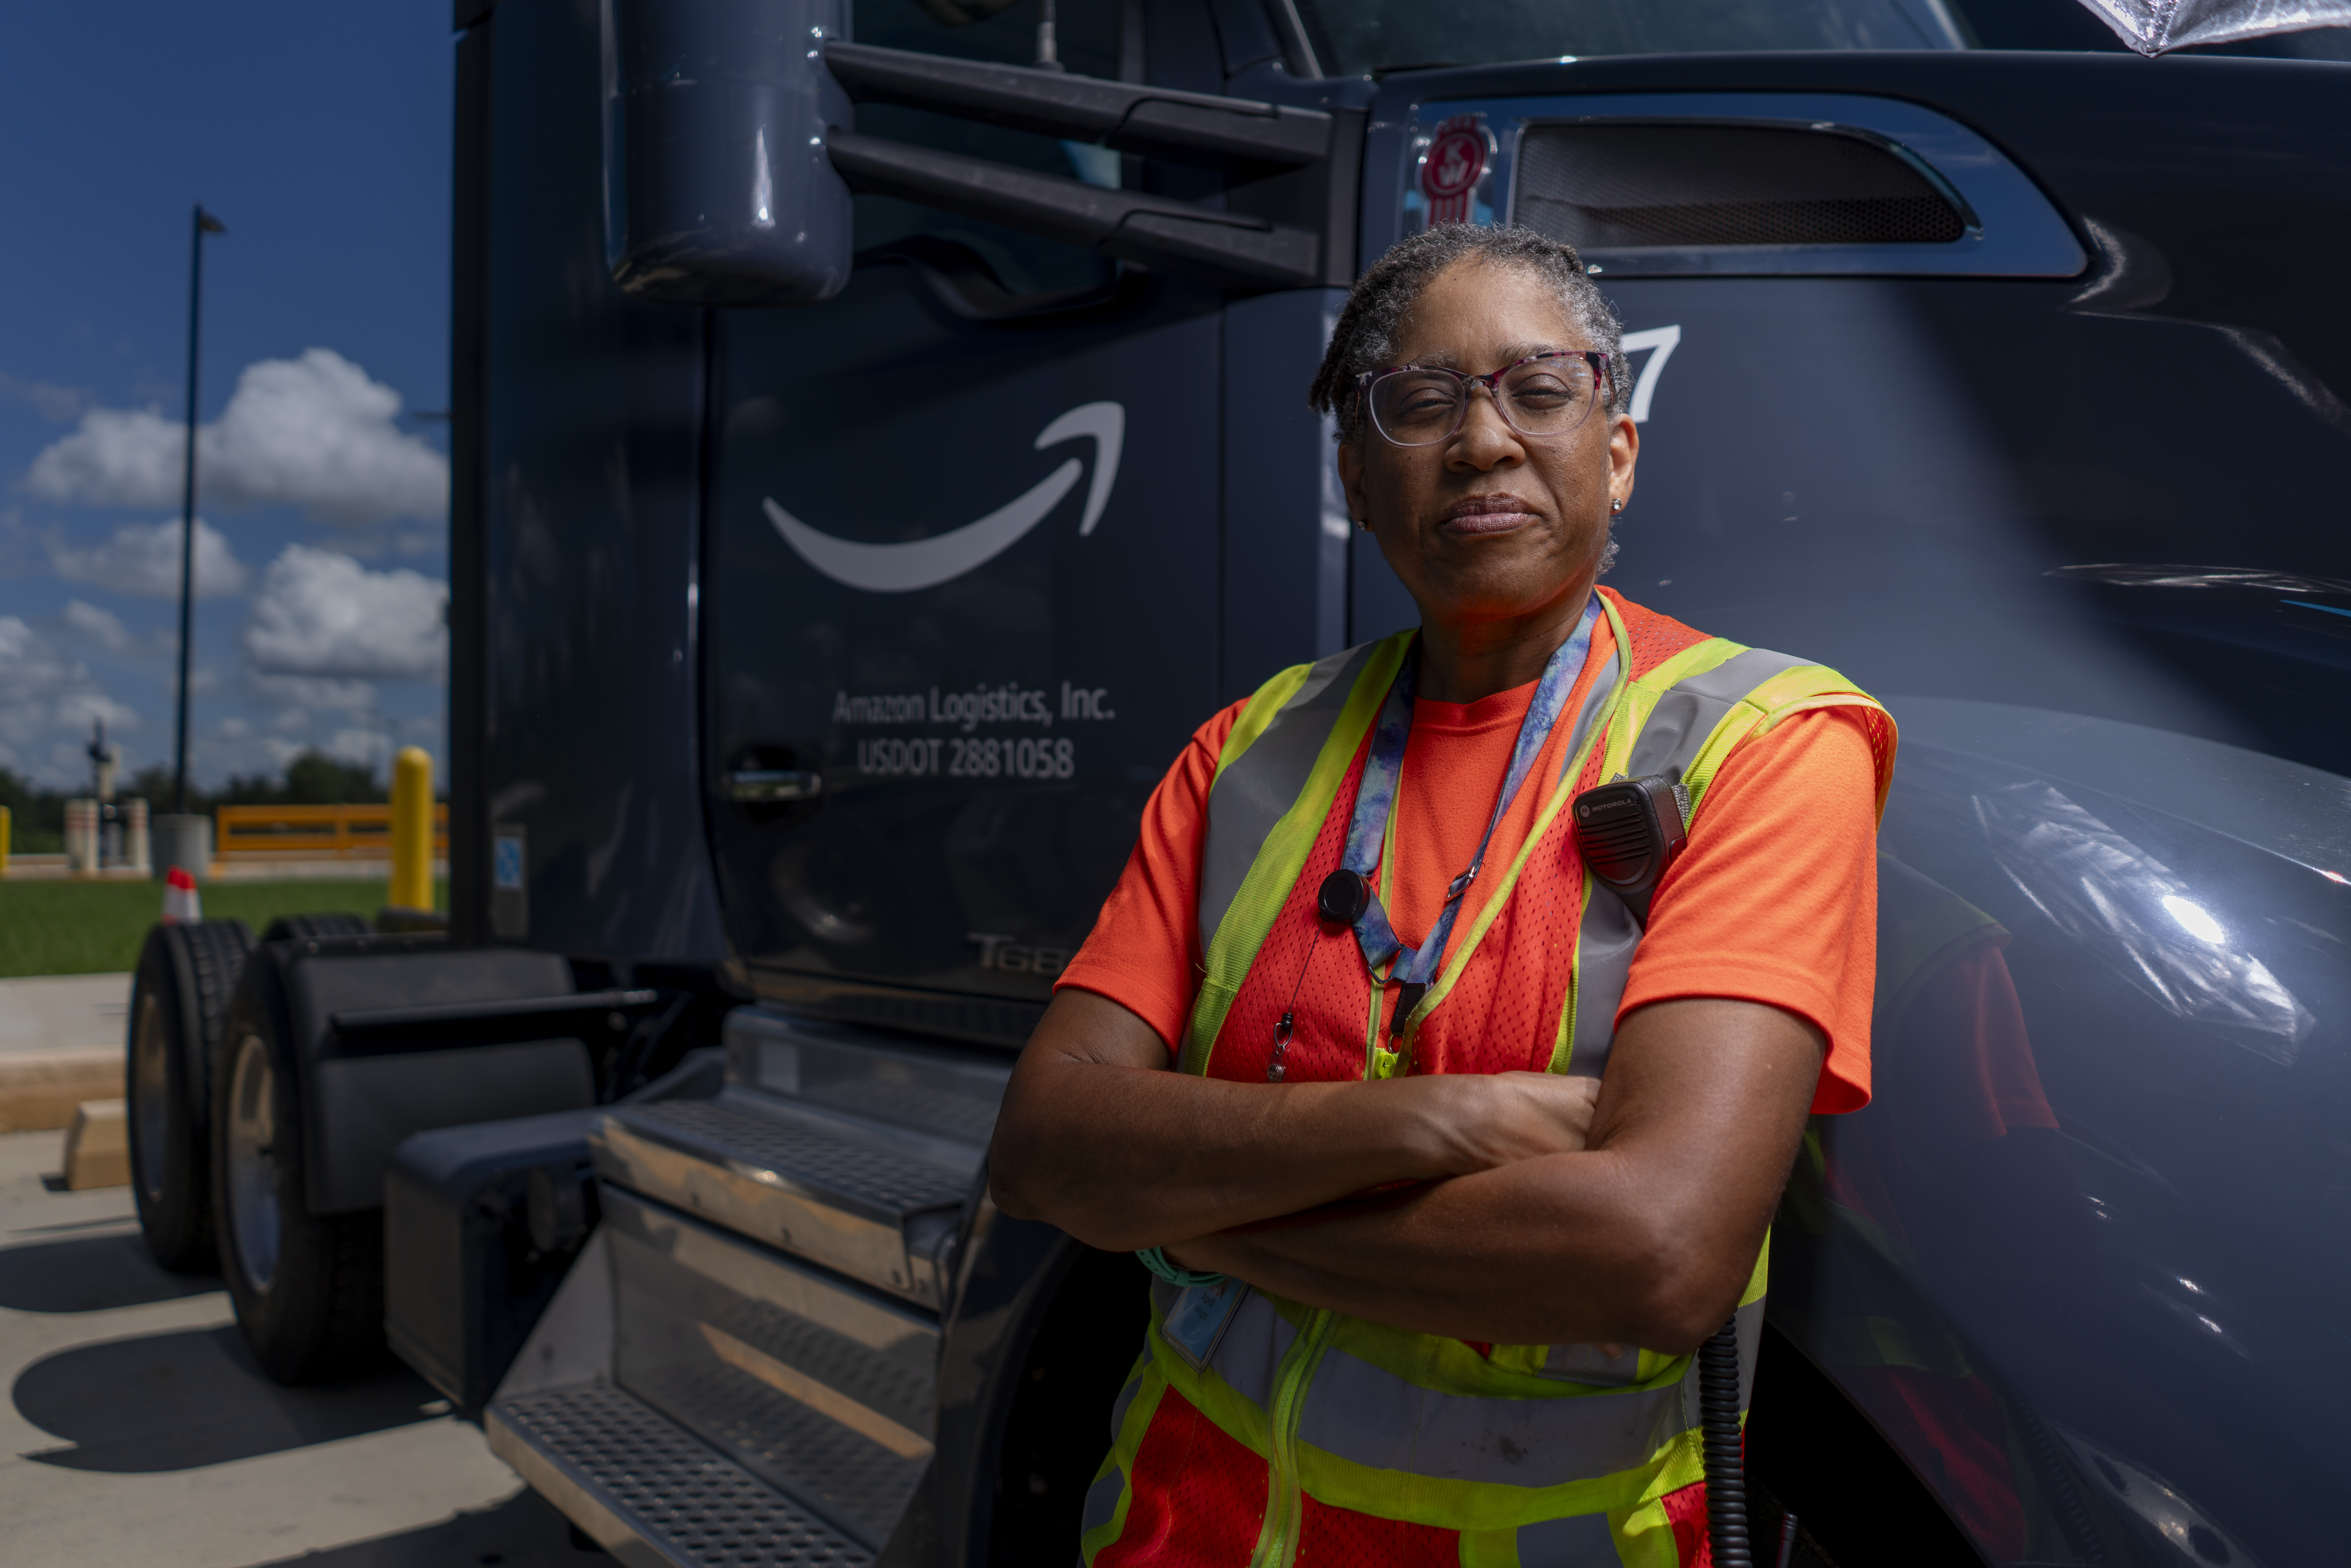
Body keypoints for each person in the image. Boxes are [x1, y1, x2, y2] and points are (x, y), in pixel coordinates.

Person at [988, 223, 1897, 1566]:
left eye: (1538, 390)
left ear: (1619, 450)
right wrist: (1439, 1120)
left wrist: (1193, 1215)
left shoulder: (1759, 745)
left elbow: (1655, 1254)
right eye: (1418, 403)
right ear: (1356, 478)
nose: (1482, 441)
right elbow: (1044, 1153)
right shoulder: (1247, 749)